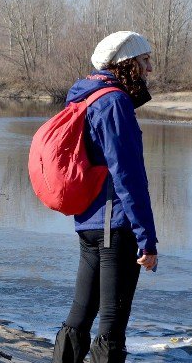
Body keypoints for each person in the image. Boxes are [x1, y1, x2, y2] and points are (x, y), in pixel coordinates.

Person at [52, 31, 158, 363]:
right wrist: (147, 238)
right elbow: (129, 177)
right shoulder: (114, 103)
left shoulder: (86, 96)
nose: (149, 68)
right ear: (126, 64)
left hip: (89, 221)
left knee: (79, 316)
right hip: (116, 226)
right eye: (144, 61)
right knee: (111, 326)